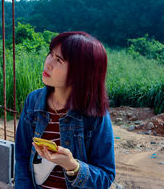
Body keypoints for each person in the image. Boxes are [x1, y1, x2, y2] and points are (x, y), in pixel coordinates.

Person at [15, 32, 116, 188]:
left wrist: (72, 166)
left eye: (59, 60)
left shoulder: (95, 114)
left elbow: (106, 176)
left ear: (80, 73)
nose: (48, 63)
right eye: (50, 54)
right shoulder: (33, 101)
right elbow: (22, 157)